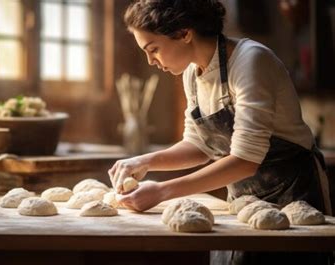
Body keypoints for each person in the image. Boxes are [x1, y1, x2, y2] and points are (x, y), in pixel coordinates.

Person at [108, 0, 333, 264]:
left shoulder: (250, 61)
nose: (151, 61)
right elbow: (199, 145)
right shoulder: (192, 74)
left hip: (295, 196)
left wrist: (161, 191)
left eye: (153, 49)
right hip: (244, 202)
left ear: (184, 33)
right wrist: (145, 160)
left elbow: (246, 160)